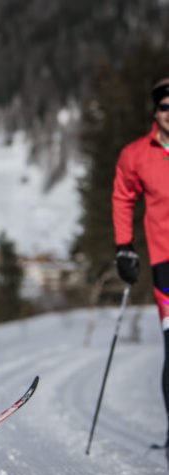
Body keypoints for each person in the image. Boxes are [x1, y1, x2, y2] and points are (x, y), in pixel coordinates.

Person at [112, 77, 169, 449]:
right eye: (165, 105)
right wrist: (124, 246)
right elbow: (122, 197)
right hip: (167, 263)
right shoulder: (136, 154)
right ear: (156, 110)